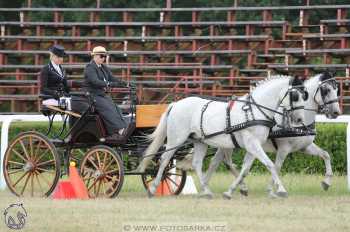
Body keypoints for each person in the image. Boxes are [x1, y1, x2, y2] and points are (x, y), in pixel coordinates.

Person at [83, 46, 128, 142]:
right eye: (101, 56)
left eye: (104, 56)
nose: (103, 58)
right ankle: (116, 131)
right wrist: (108, 84)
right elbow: (95, 81)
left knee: (116, 108)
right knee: (107, 108)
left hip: (102, 95)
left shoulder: (103, 67)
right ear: (94, 56)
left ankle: (123, 128)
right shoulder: (90, 67)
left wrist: (124, 83)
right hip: (92, 95)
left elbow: (112, 78)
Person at [40, 45, 88, 121]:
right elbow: (43, 89)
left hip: (63, 96)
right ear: (52, 56)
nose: (61, 59)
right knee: (76, 104)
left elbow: (65, 85)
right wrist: (56, 94)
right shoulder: (46, 69)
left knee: (81, 100)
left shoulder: (62, 69)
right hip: (51, 97)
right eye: (58, 57)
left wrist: (75, 92)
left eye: (61, 57)